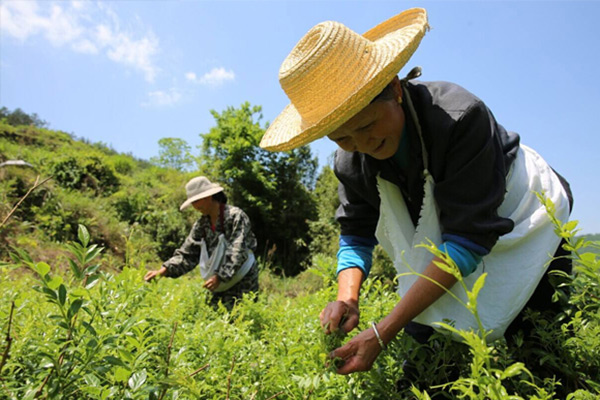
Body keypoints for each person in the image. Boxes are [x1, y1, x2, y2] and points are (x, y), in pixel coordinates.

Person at [259, 7, 573, 379]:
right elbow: (356, 232)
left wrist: (383, 330)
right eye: (342, 137)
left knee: (539, 352)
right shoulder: (350, 161)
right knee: (423, 371)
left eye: (368, 124)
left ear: (394, 88)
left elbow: (468, 240)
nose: (362, 144)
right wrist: (348, 298)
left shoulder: (458, 118)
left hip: (528, 222)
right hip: (447, 243)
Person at [144, 176, 259, 309]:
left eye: (197, 201)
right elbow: (187, 253)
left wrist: (221, 276)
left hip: (241, 276)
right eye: (193, 202)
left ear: (209, 196)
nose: (195, 206)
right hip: (216, 279)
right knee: (214, 317)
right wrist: (163, 271)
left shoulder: (235, 216)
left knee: (241, 315)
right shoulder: (201, 225)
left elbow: (237, 250)